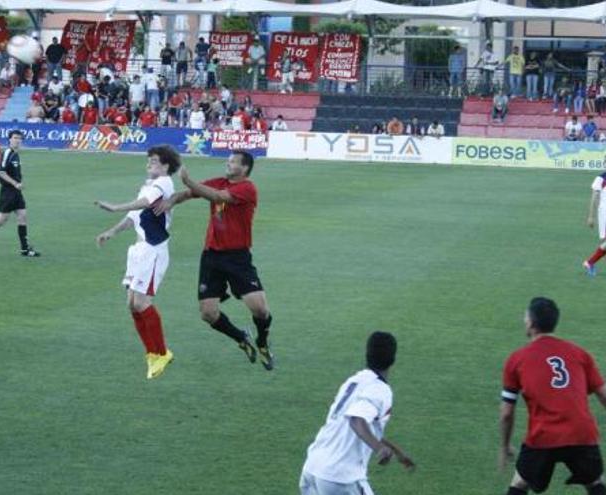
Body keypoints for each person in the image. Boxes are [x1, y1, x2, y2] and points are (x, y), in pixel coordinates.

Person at [155, 151, 275, 370]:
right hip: (212, 256)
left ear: (244, 168)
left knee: (260, 310)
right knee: (208, 314)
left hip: (238, 257)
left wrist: (189, 181)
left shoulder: (247, 188)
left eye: (232, 162)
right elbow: (190, 193)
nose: (227, 164)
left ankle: (262, 342)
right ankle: (241, 337)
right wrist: (172, 200)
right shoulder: (218, 183)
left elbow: (219, 197)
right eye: (227, 161)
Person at [499, 297, 606, 494]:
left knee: (520, 484)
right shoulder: (579, 354)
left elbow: (506, 413)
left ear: (530, 322)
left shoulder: (517, 359)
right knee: (595, 482)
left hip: (542, 437)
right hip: (582, 434)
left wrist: (504, 446)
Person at [95, 146, 181, 379]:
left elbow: (144, 203)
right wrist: (111, 232)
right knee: (132, 304)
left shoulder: (164, 183)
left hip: (153, 250)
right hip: (139, 250)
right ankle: (152, 354)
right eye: (149, 160)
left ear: (165, 166)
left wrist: (115, 206)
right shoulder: (148, 184)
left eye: (154, 161)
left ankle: (161, 353)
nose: (149, 164)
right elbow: (135, 217)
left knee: (142, 302)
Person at [300, 332, 415, 495]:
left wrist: (396, 450)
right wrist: (379, 448)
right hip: (340, 477)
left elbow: (358, 427)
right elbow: (356, 421)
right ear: (393, 360)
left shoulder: (354, 381)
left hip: (312, 469)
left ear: (367, 355)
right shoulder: (380, 390)